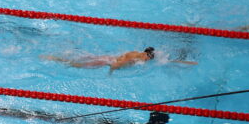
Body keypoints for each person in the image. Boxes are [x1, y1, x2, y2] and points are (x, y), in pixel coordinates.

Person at [42, 47, 196, 72]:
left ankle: (63, 53)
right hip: (106, 61)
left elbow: (165, 60)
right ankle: (54, 58)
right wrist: (110, 73)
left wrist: (183, 62)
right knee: (76, 65)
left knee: (84, 57)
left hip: (107, 57)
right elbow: (117, 64)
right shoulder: (135, 59)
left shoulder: (137, 52)